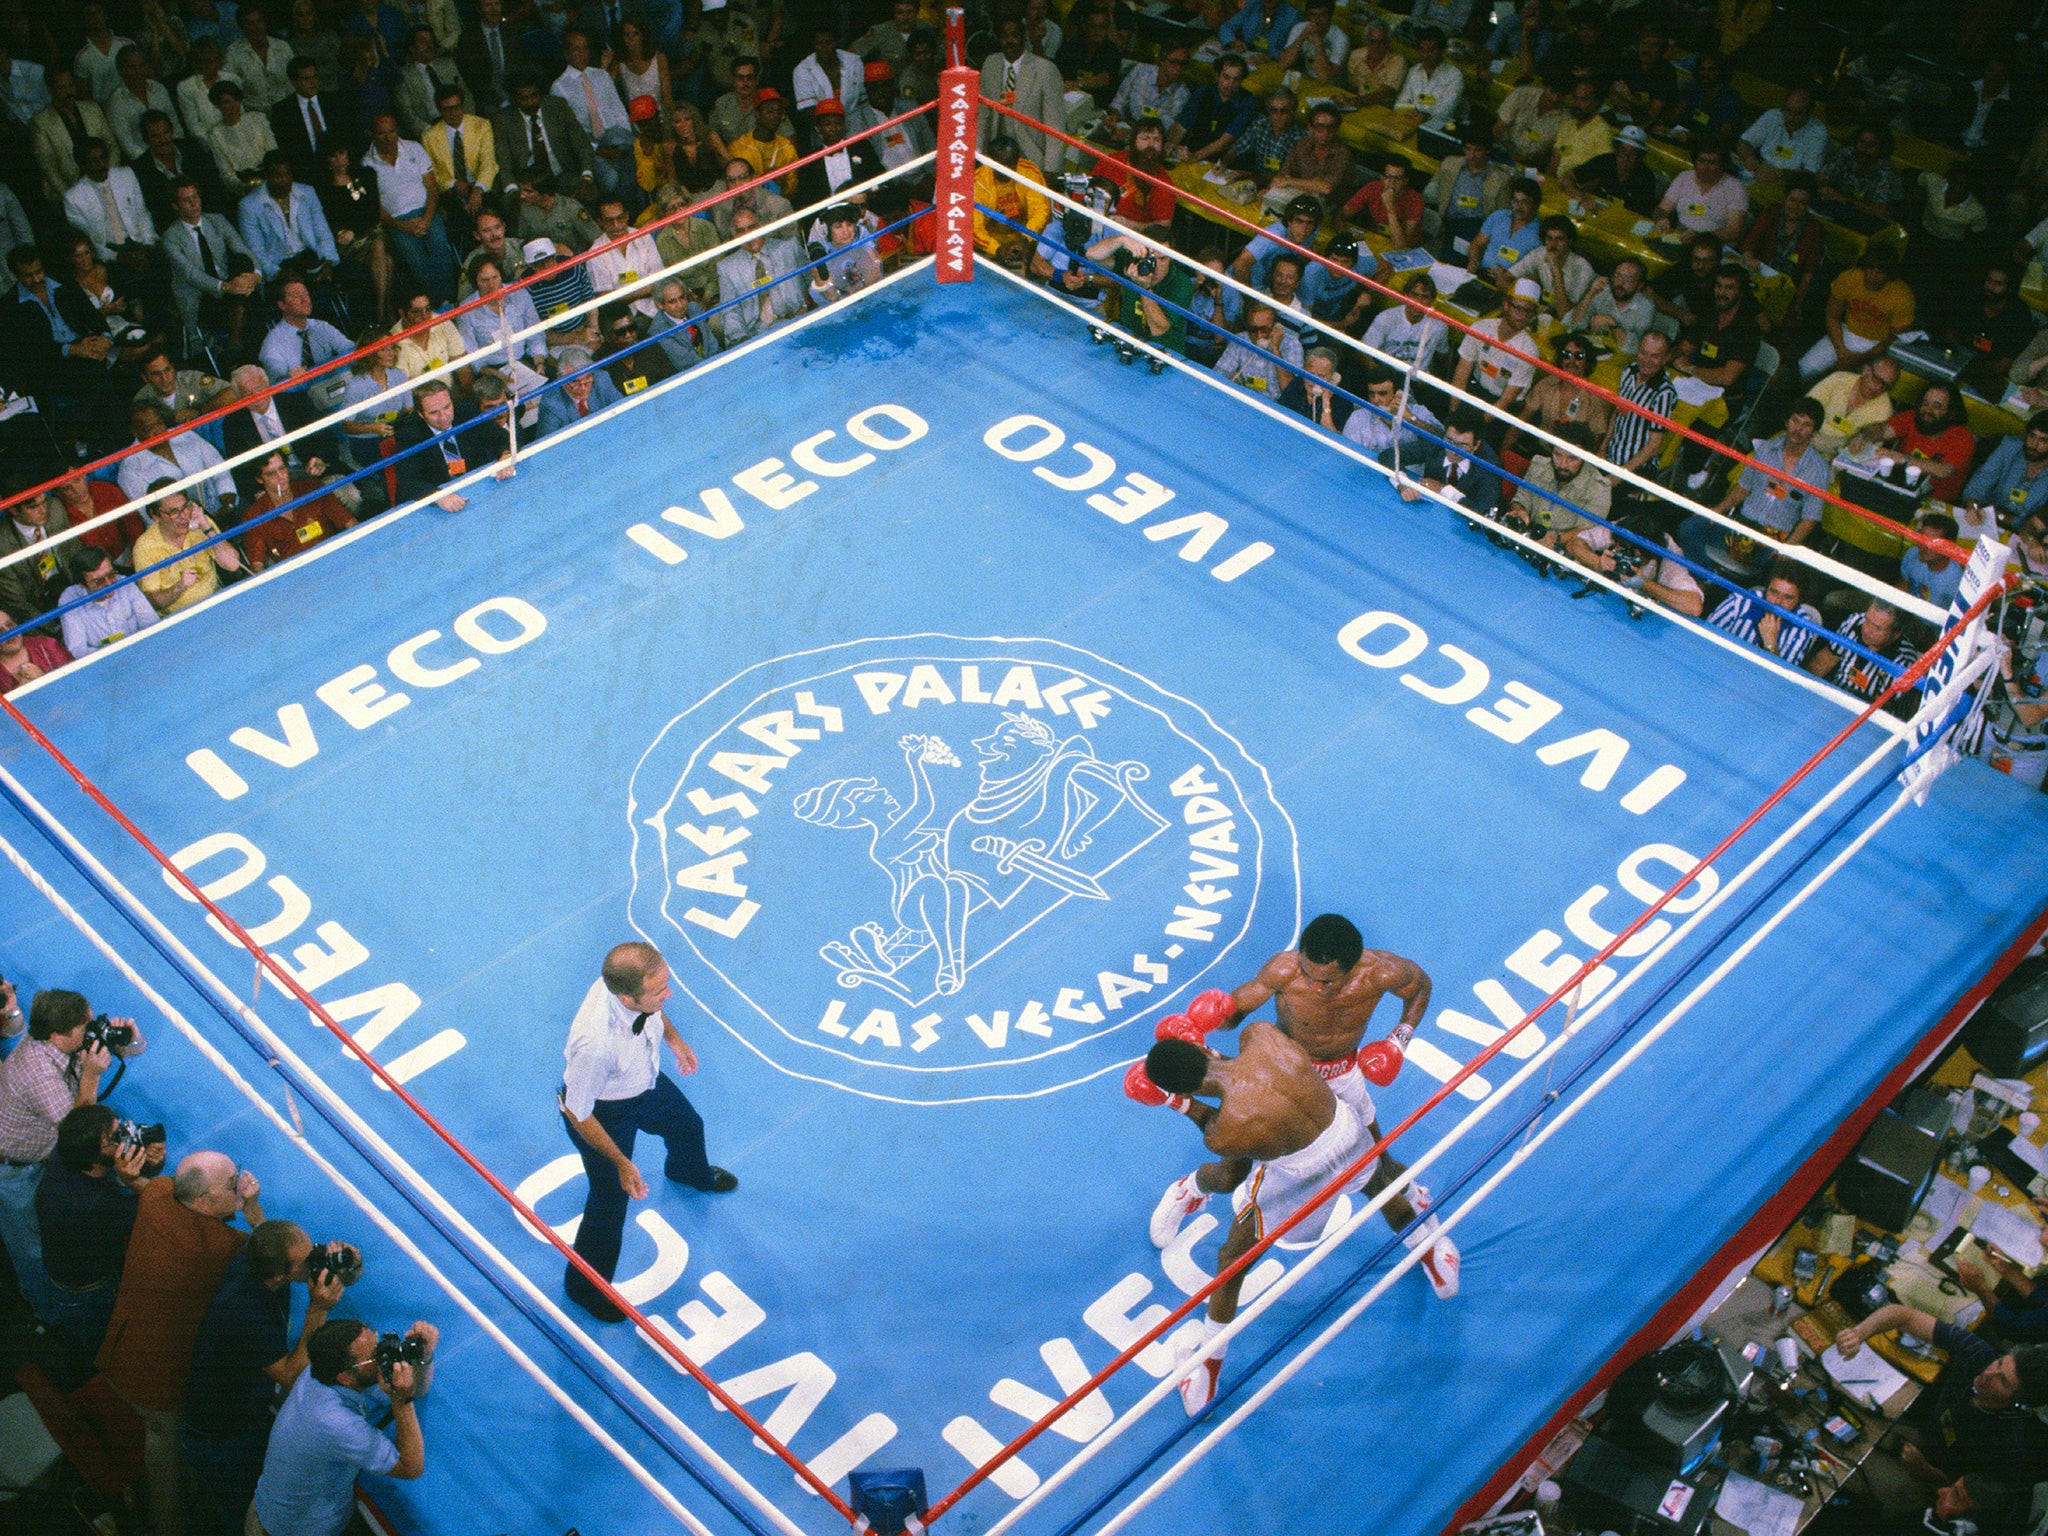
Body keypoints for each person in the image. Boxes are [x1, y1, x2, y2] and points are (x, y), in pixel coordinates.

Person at [1134, 919, 1455, 1413]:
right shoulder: (1268, 1025)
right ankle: (1191, 1191)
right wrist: (1212, 1018)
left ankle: (1211, 1359)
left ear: (1351, 968)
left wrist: (1398, 1040)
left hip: (1319, 1107)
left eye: (1327, 980)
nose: (1315, 987)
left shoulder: (1383, 973)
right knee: (1370, 1179)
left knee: (1236, 1252)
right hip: (1316, 1100)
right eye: (1307, 972)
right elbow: (1239, 1021)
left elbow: (1219, 1123)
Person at [558, 941, 735, 1323]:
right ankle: (584, 1288)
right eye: (659, 992)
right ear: (626, 997)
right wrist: (622, 1163)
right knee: (609, 1202)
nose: (668, 995)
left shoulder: (633, 992)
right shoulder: (595, 1044)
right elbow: (577, 1111)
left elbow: (653, 1013)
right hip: (602, 1114)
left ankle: (686, 1171)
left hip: (643, 1081)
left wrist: (674, 1039)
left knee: (689, 1126)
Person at [100, 1151, 265, 1536]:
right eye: (232, 1184)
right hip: (155, 1384)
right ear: (204, 1202)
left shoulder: (157, 1196)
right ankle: (171, 1525)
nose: (240, 1185)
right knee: (164, 1455)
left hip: (119, 1350)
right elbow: (271, 1254)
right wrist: (253, 1209)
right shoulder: (220, 1248)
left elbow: (148, 1184)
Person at [184, 1220, 354, 1534]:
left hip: (240, 1416)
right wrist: (317, 1309)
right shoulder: (243, 1309)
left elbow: (339, 1272)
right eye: (309, 1259)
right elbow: (292, 1376)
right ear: (280, 1275)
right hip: (223, 1437)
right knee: (254, 1512)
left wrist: (347, 1262)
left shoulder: (257, 1264)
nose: (315, 1260)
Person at [0, 989, 143, 1323]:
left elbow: (134, 1049)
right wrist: (91, 1076)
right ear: (58, 1035)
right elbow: (80, 1135)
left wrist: (129, 1039)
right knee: (33, 1247)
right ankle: (47, 1314)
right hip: (14, 1172)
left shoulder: (63, 1043)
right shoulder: (38, 1072)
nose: (91, 1029)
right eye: (85, 1026)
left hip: (41, 1155)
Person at [1834, 1303, 2048, 1524]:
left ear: (2018, 1402)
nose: (1989, 1372)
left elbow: (1965, 1499)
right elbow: (1904, 1315)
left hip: (1935, 1485)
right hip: (1923, 1433)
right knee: (1837, 1420)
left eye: (2002, 1381)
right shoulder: (1980, 1356)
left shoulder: (2007, 1445)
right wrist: (1859, 1333)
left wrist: (1924, 1470)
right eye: (2000, 1362)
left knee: (1845, 1472)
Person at [250, 1314, 436, 1536]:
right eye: (375, 1356)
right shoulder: (334, 1423)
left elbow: (416, 1389)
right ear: (346, 1377)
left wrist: (423, 1356)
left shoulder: (320, 1370)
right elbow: (411, 1467)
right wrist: (401, 1400)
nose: (382, 1357)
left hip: (278, 1512)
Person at [35, 1104, 156, 1358]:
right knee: (99, 1344)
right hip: (88, 1292)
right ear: (94, 1158)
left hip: (61, 1275)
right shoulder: (99, 1205)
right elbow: (161, 1206)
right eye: (116, 1138)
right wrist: (135, 1179)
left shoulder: (64, 1155)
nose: (124, 1138)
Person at [1799, 247, 1912, 385]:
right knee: (1807, 366)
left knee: (1856, 384)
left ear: (1889, 275)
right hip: (1847, 332)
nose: (1873, 275)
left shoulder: (1902, 296)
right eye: (1870, 269)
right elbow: (1832, 315)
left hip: (1877, 345)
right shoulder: (1850, 277)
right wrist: (1841, 350)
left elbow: (1894, 338)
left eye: (1880, 272)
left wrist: (1860, 358)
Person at [1804, 598, 1924, 716]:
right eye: (1867, 620)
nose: (1867, 629)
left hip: (1864, 716)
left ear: (1896, 634)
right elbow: (1825, 660)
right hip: (1833, 696)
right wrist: (1804, 689)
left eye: (1877, 628)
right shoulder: (1856, 621)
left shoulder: (1903, 661)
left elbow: (1882, 709)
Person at [979, 17, 1065, 171]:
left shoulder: (1045, 70)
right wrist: (977, 156)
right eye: (1005, 36)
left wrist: (1050, 170)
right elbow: (982, 117)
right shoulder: (990, 63)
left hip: (1033, 157)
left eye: (1014, 35)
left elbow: (1055, 127)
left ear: (1024, 38)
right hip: (996, 156)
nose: (1009, 41)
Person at [1709, 561, 1826, 666]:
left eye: (1788, 598)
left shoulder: (1802, 629)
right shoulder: (1739, 601)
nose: (1777, 602)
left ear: (1799, 601)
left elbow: (1780, 681)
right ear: (1767, 588)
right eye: (1774, 592)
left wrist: (1771, 645)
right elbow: (1705, 636)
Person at [1875, 383, 1974, 504]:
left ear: (1951, 412)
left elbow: (1943, 470)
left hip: (1935, 502)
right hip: (1897, 490)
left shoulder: (1964, 438)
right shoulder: (1913, 417)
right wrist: (1865, 435)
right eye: (1925, 403)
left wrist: (1903, 459)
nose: (1928, 410)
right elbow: (1882, 431)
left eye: (1937, 406)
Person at [1395, 407, 1504, 513]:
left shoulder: (1490, 466)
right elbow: (1391, 455)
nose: (1453, 451)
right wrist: (1402, 484)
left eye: (1462, 445)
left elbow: (1484, 510)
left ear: (1476, 445)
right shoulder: (1437, 441)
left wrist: (1445, 490)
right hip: (1427, 512)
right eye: (1450, 441)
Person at [59, 547, 160, 656]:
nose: (108, 584)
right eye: (99, 581)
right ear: (81, 584)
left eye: (111, 574)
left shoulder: (124, 583)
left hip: (140, 651)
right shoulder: (69, 600)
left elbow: (151, 622)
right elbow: (78, 650)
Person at [1961, 411, 2048, 527]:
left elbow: (2038, 524)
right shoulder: (2010, 447)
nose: (2034, 444)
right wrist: (1973, 507)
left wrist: (1997, 515)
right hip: (1983, 518)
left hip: (2022, 534)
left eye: (2043, 440)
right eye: (2032, 436)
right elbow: (1978, 485)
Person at [1654, 144, 1748, 242]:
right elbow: (1661, 209)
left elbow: (1733, 232)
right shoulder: (1684, 177)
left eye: (1712, 163)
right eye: (1701, 161)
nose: (1705, 167)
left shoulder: (1735, 188)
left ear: (1722, 165)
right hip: (1680, 234)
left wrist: (1700, 236)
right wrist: (1661, 218)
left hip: (1714, 241)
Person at [1567, 255, 1655, 357]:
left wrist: (1612, 324)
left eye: (1629, 279)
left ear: (1639, 285)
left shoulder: (1646, 307)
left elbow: (1636, 349)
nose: (1621, 283)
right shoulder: (1602, 292)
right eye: (1618, 276)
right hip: (1593, 353)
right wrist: (1590, 294)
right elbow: (1571, 323)